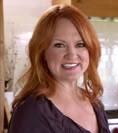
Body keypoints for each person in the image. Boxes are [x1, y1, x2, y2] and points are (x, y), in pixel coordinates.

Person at [8, 4, 110, 133]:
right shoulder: (31, 112)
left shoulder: (95, 104)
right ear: (42, 52)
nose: (72, 54)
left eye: (80, 44)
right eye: (59, 45)